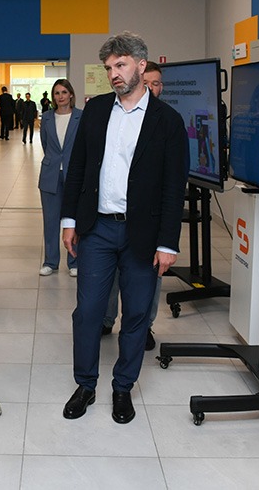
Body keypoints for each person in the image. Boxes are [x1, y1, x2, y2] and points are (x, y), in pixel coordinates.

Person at [60, 32, 186, 425]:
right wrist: (69, 220)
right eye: (109, 67)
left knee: (135, 315)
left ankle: (122, 388)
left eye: (121, 65)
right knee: (88, 312)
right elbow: (78, 167)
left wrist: (168, 243)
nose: (114, 73)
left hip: (142, 235)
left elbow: (174, 187)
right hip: (97, 229)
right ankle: (85, 385)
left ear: (141, 66)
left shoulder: (168, 121)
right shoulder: (97, 110)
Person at [102, 60, 166, 351]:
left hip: (148, 219)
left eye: (157, 84)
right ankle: (106, 318)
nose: (151, 88)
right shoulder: (117, 116)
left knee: (148, 277)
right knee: (112, 274)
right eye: (147, 82)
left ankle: (144, 326)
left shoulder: (165, 121)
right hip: (114, 215)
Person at [38, 78, 82, 278]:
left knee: (73, 220)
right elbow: (45, 144)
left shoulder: (80, 116)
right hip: (51, 174)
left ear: (71, 94)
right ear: (53, 97)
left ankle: (74, 261)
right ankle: (50, 262)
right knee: (51, 220)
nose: (61, 96)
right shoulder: (47, 117)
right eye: (57, 93)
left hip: (74, 174)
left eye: (64, 92)